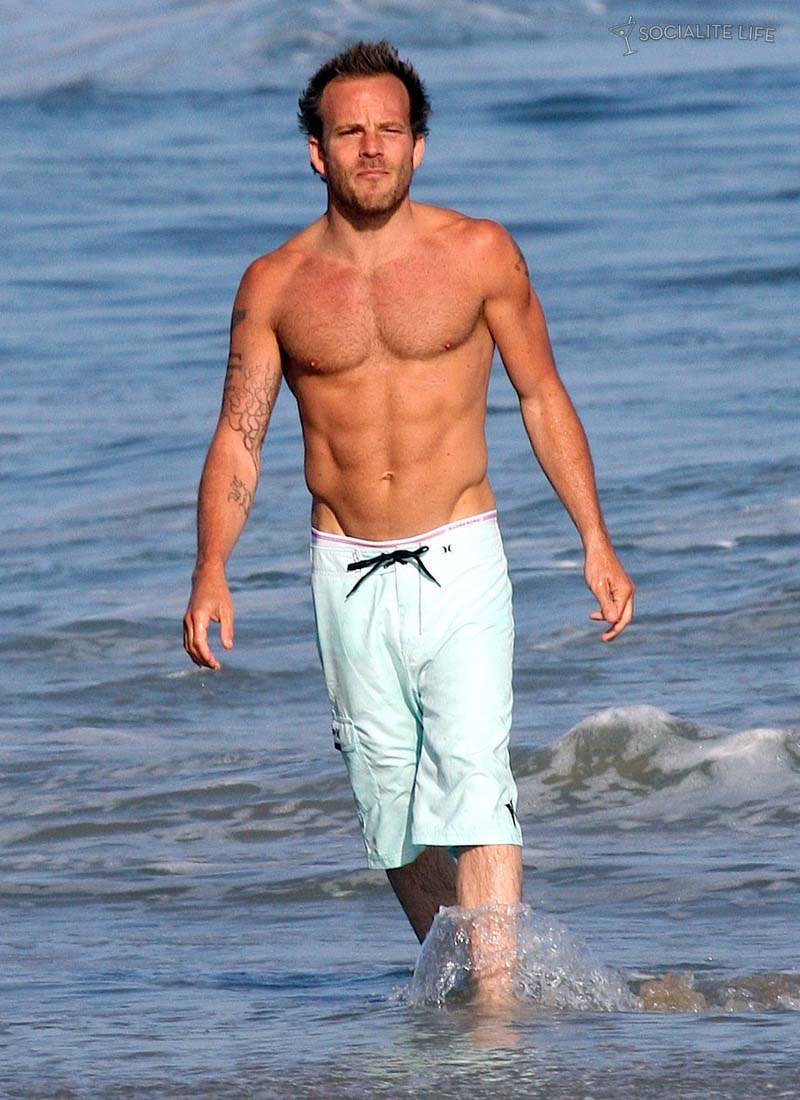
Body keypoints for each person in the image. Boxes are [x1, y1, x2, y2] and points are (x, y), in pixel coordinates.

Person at [183, 39, 634, 999]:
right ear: (317, 152)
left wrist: (593, 536)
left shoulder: (479, 253)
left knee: (475, 782)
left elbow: (542, 395)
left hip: (461, 553)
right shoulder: (274, 285)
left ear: (419, 145)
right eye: (351, 131)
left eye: (390, 129)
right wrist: (211, 568)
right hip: (344, 569)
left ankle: (495, 1015)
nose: (372, 147)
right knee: (389, 813)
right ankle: (468, 978)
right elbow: (239, 437)